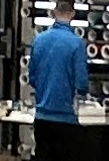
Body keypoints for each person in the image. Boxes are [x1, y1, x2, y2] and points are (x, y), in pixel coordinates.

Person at [26, 7, 90, 135]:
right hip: (66, 117)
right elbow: (81, 82)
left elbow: (32, 78)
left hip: (41, 116)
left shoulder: (39, 40)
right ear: (73, 14)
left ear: (53, 13)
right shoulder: (76, 43)